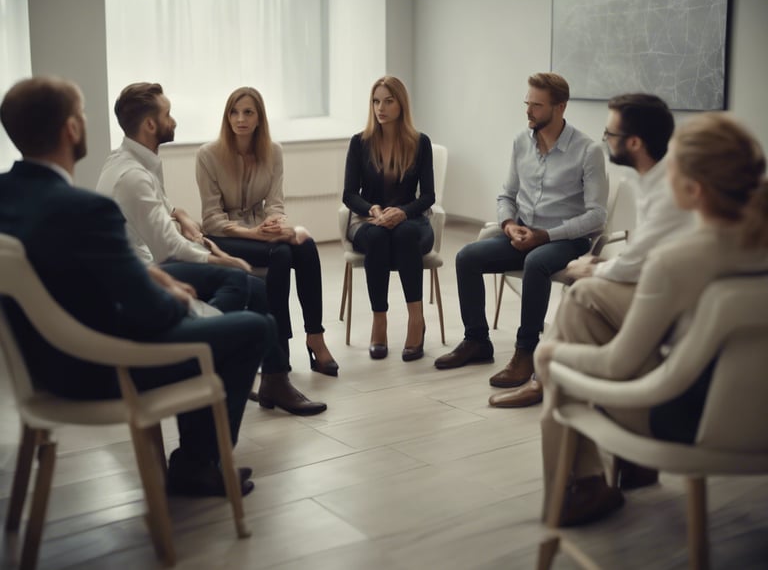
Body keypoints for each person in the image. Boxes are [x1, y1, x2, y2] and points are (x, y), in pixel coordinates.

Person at [0, 76, 270, 497]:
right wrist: (178, 299)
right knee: (252, 327)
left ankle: (199, 456)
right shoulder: (84, 209)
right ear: (71, 129)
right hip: (101, 368)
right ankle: (198, 463)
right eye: (83, 115)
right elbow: (151, 312)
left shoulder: (8, 196)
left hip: (38, 367)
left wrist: (152, 277)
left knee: (228, 311)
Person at [535, 112, 768, 526]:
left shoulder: (676, 262)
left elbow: (616, 365)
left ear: (693, 190)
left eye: (672, 165)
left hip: (692, 422)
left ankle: (577, 491)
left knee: (557, 358)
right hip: (756, 412)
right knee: (588, 306)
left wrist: (548, 352)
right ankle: (606, 480)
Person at [97, 82, 326, 416]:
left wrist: (180, 214)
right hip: (146, 270)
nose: (173, 120)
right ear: (150, 125)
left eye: (248, 112)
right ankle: (216, 357)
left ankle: (268, 371)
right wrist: (221, 258)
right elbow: (169, 249)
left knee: (269, 270)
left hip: (152, 260)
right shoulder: (134, 174)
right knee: (241, 281)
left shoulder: (132, 160)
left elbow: (158, 207)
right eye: (167, 114)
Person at [489, 93, 694, 409]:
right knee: (582, 296)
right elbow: (647, 250)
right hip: (655, 280)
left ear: (635, 143)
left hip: (668, 297)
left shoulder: (668, 190)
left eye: (610, 134)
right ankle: (553, 379)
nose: (605, 140)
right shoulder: (651, 179)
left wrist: (595, 268)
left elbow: (637, 258)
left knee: (581, 290)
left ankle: (544, 376)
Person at [435, 73, 608, 385]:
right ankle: (477, 341)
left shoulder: (588, 151)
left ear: (560, 107)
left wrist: (546, 236)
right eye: (527, 103)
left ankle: (525, 353)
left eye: (537, 106)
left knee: (536, 262)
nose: (528, 111)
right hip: (524, 233)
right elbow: (507, 196)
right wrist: (509, 224)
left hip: (566, 239)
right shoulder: (520, 142)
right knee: (467, 257)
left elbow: (597, 216)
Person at [196, 86, 338, 377]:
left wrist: (274, 224)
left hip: (262, 231)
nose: (240, 119)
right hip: (225, 236)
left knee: (304, 248)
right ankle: (277, 347)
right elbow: (210, 220)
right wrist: (255, 234)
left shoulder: (273, 151)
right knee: (281, 252)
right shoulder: (207, 155)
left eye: (248, 112)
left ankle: (315, 337)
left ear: (259, 117)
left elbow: (275, 203)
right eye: (234, 112)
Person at [342, 76, 436, 361]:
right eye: (375, 101)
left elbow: (428, 196)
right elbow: (349, 194)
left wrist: (404, 211)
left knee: (404, 234)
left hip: (412, 221)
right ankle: (379, 323)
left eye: (388, 101)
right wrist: (373, 209)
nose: (380, 108)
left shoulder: (420, 143)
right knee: (378, 237)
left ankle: (415, 321)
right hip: (370, 221)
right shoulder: (360, 142)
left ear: (401, 104)